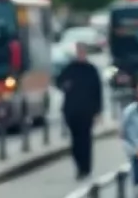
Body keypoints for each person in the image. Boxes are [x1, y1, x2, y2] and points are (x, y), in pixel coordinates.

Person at [57, 41, 103, 179]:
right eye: (78, 52)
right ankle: (78, 165)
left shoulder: (91, 70)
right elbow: (59, 81)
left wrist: (98, 111)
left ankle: (86, 167)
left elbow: (98, 91)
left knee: (86, 139)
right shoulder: (70, 68)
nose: (80, 54)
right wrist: (65, 86)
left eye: (82, 52)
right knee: (75, 140)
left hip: (87, 111)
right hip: (71, 110)